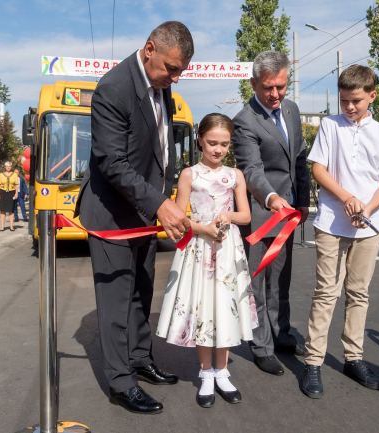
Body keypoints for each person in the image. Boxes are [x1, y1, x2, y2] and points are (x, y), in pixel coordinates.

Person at [73, 22, 194, 415]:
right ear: (149, 49)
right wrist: (159, 203)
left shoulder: (161, 84)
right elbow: (112, 162)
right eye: (171, 68)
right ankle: (120, 382)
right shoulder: (113, 88)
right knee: (116, 301)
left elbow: (158, 145)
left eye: (180, 71)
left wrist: (164, 197)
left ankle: (140, 359)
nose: (175, 78)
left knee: (142, 290)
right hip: (113, 213)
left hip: (143, 211)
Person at [299, 65, 379, 399]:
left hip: (369, 225)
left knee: (358, 293)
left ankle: (353, 358)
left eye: (356, 100)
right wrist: (347, 199)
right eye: (344, 100)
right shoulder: (330, 126)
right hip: (331, 222)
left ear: (372, 95)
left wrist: (366, 210)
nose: (350, 106)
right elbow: (319, 169)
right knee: (326, 292)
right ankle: (313, 361)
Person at [156, 114, 257, 408]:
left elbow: (245, 215)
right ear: (200, 139)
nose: (218, 149)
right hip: (198, 248)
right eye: (212, 142)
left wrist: (227, 216)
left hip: (227, 250)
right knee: (203, 308)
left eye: (224, 144)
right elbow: (179, 217)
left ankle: (222, 372)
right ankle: (206, 374)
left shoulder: (235, 175)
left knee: (224, 307)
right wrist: (203, 228)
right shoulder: (189, 174)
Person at [232, 51, 311, 376]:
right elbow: (251, 170)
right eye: (268, 88)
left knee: (280, 279)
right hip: (260, 214)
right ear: (253, 84)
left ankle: (281, 335)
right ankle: (261, 346)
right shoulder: (244, 120)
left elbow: (299, 159)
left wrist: (302, 199)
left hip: (288, 213)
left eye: (281, 86)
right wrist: (271, 198)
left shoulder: (291, 110)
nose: (275, 94)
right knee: (256, 284)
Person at [0, 161, 19, 231]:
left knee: (11, 210)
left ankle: (11, 226)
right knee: (2, 210)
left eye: (9, 166)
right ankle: (2, 226)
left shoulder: (14, 175)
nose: (8, 167)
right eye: (7, 166)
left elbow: (16, 185)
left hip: (11, 193)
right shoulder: (1, 175)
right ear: (5, 167)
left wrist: (16, 193)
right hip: (3, 193)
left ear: (11, 167)